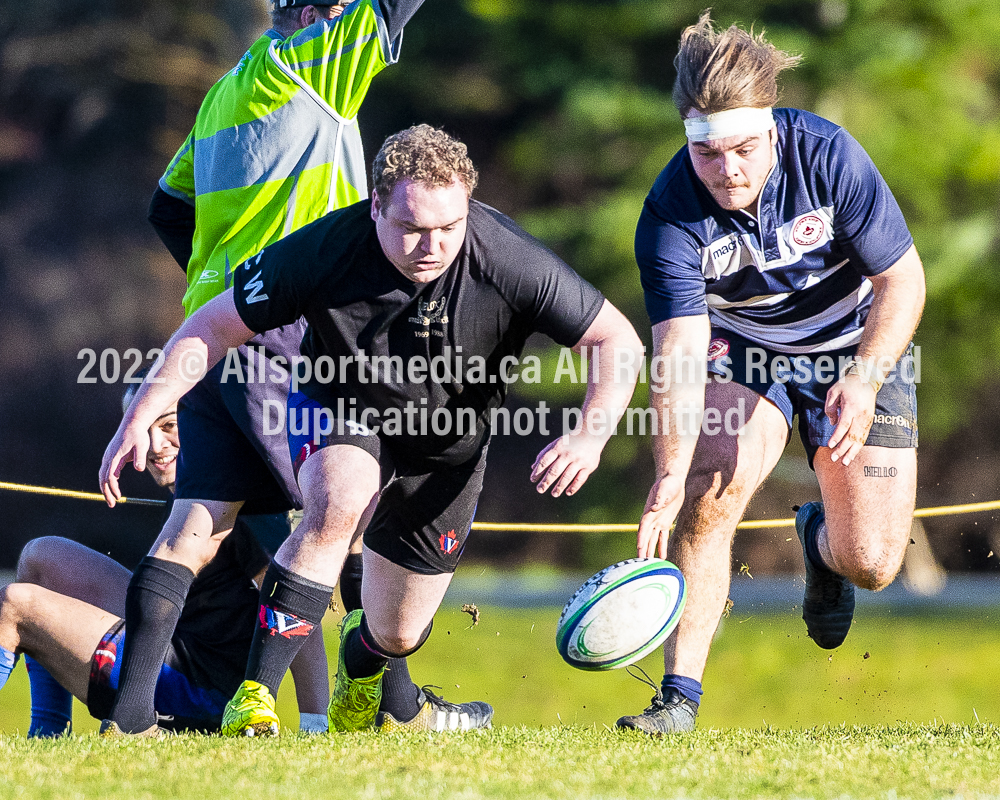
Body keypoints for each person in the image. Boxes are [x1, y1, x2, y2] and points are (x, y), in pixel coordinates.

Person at [101, 124, 644, 735]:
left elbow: (615, 339)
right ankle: (252, 698)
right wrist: (143, 408)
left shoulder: (507, 258)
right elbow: (213, 325)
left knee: (398, 629)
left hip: (449, 444)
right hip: (342, 404)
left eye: (448, 228)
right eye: (411, 229)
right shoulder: (325, 248)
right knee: (336, 505)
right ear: (376, 205)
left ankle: (365, 672)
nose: (431, 246)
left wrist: (590, 434)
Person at [102, 0, 430, 736]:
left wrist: (226, 281)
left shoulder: (228, 89)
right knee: (352, 506)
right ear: (313, 12)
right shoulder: (312, 62)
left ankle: (130, 721)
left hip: (216, 333)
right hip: (288, 333)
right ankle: (394, 709)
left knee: (196, 525)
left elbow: (167, 206)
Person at [617, 12, 925, 735]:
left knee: (873, 563)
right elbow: (680, 351)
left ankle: (822, 541)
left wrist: (866, 378)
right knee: (707, 492)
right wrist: (670, 467)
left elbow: (903, 282)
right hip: (745, 352)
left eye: (746, 149)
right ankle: (678, 702)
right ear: (688, 139)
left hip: (854, 346)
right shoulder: (669, 214)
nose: (729, 170)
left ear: (772, 131)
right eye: (710, 154)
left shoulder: (829, 155)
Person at [1, 393, 328, 736]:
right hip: (176, 641)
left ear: (202, 419)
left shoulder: (239, 498)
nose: (156, 445)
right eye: (142, 428)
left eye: (170, 425)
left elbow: (291, 605)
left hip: (200, 694)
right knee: (41, 557)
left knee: (13, 605)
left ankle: (123, 720)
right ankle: (48, 732)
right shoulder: (192, 484)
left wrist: (314, 723)